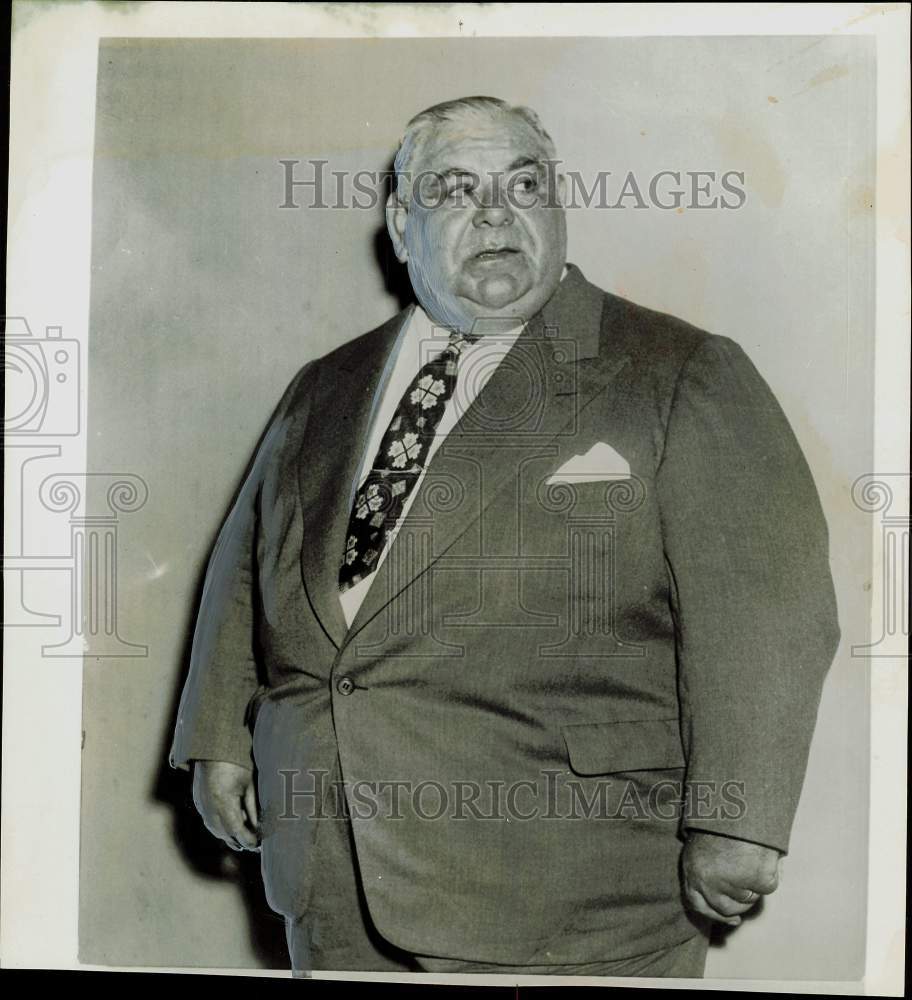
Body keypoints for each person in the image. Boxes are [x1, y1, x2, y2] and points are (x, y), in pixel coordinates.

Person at [170, 96, 840, 978]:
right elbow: (249, 567)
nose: (496, 211)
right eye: (455, 188)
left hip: (569, 891)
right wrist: (220, 735)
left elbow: (768, 611)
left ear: (558, 206)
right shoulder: (325, 385)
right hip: (331, 872)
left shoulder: (676, 372)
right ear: (401, 229)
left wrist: (738, 817)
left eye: (524, 182)